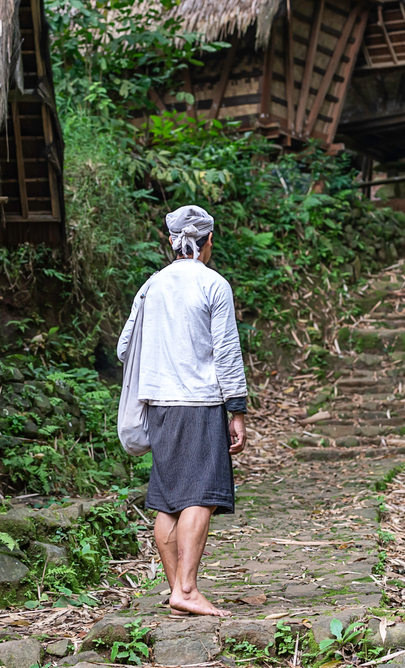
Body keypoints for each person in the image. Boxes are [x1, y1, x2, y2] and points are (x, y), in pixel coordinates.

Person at [117, 204, 248, 617]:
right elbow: (226, 352)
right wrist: (237, 409)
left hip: (158, 405)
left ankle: (177, 590)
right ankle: (187, 590)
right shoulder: (213, 284)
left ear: (171, 242)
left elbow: (125, 347)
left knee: (168, 501)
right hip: (200, 403)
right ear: (208, 241)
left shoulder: (151, 286)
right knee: (199, 496)